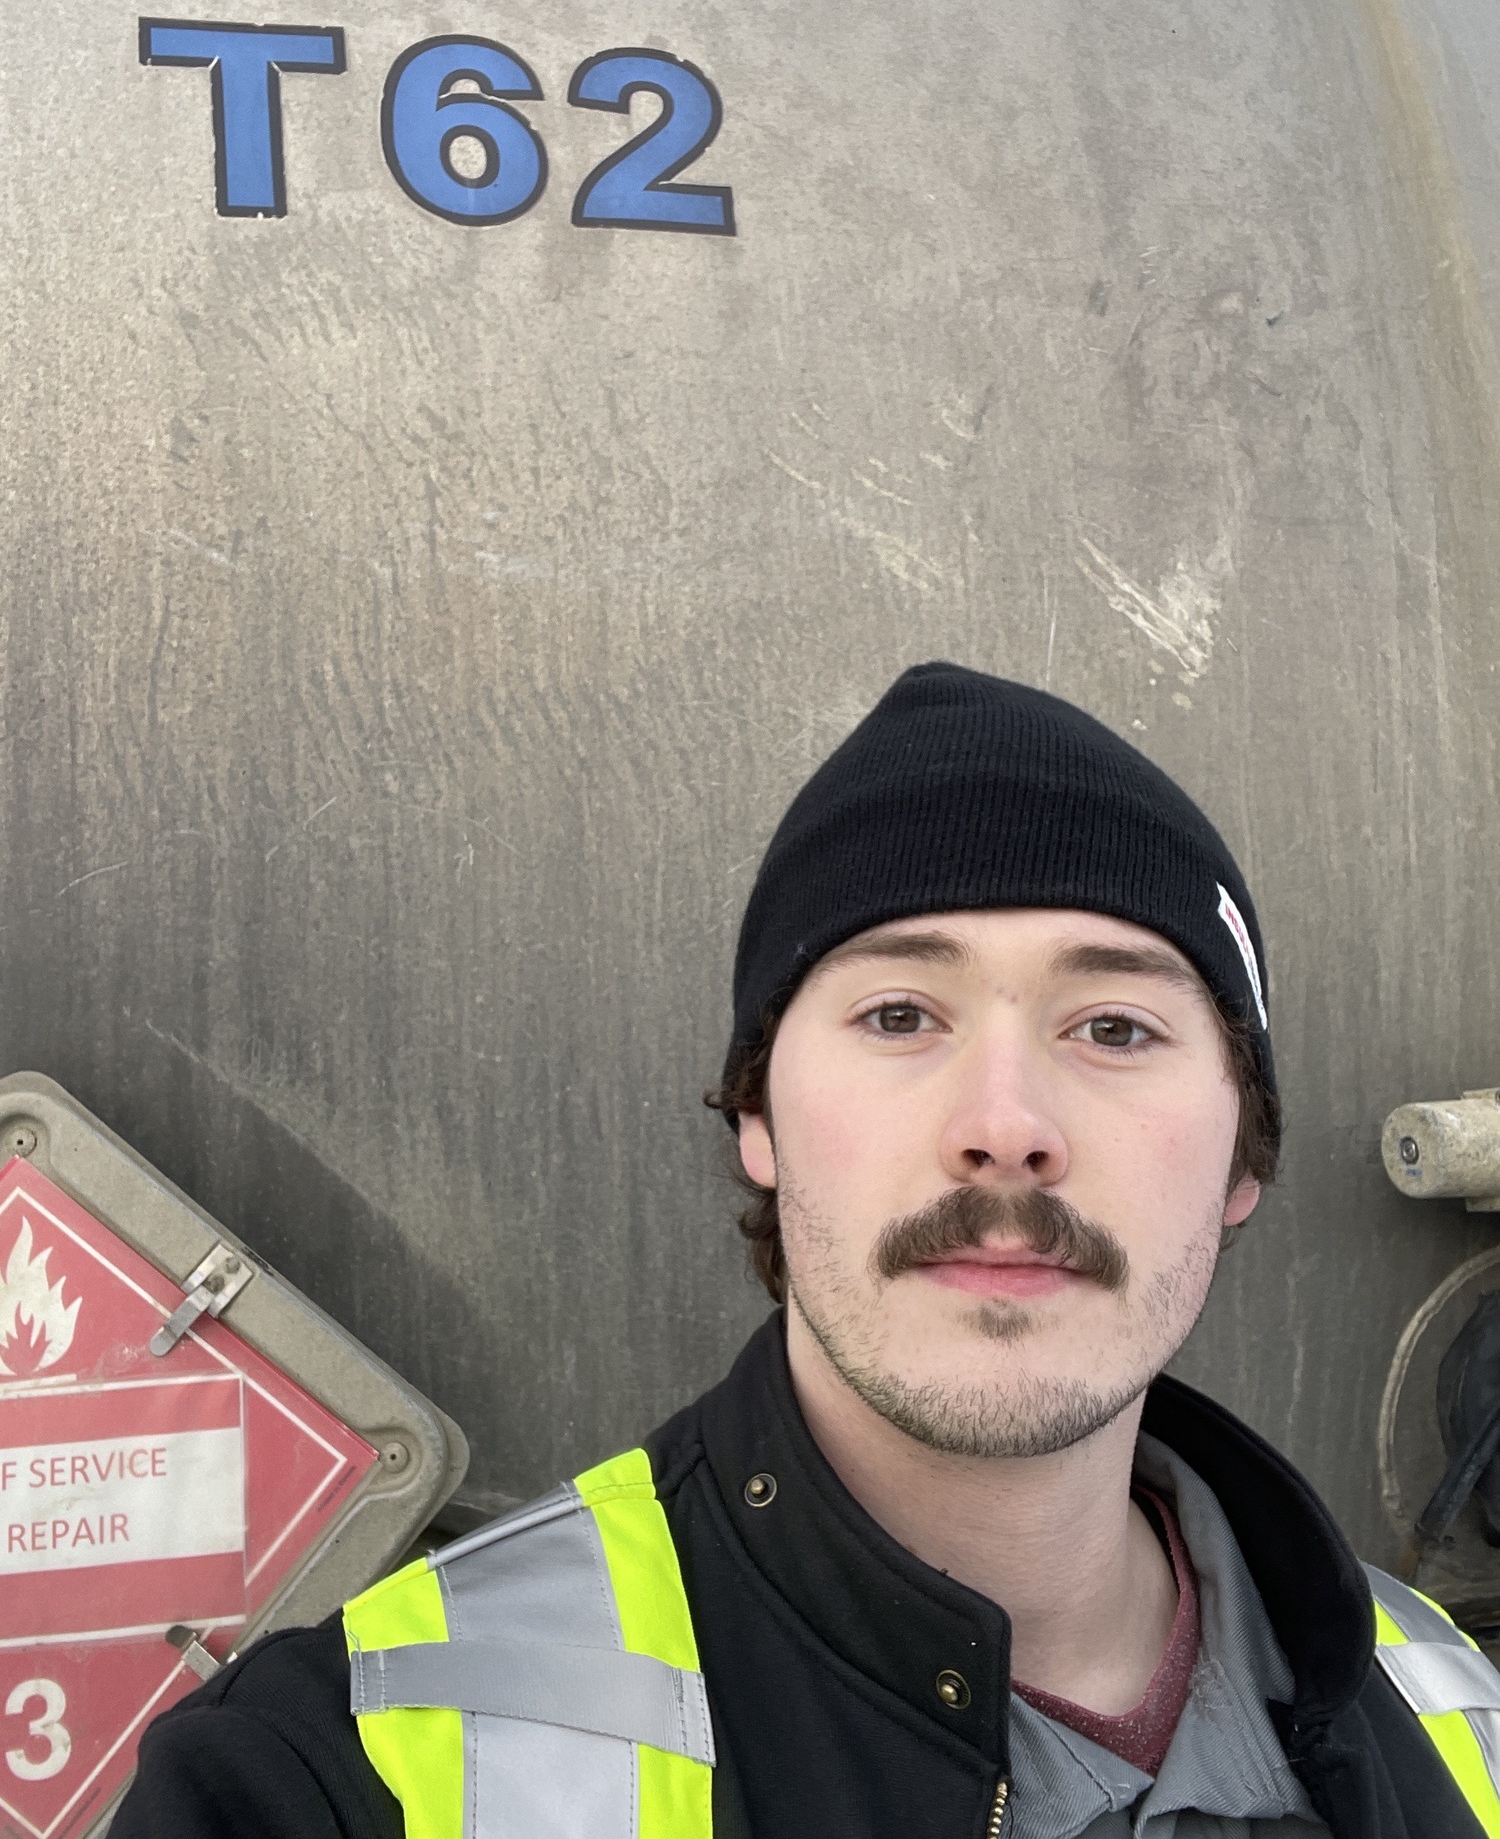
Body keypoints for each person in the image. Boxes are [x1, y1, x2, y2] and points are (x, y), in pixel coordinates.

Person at [114, 662, 1500, 1839]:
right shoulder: (331, 1779)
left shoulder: (1459, 1713)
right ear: (759, 1120)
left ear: (1245, 1152)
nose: (1005, 1128)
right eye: (901, 1015)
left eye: (1115, 1028)